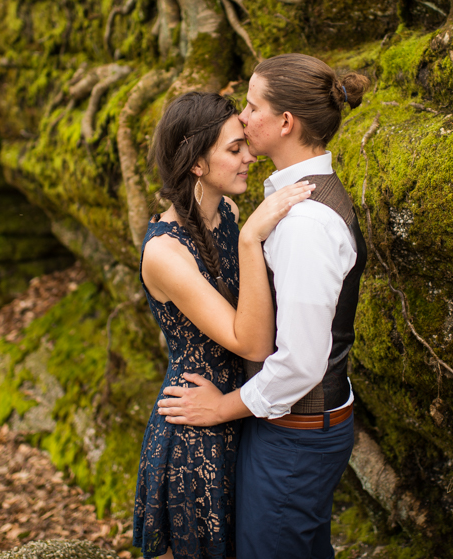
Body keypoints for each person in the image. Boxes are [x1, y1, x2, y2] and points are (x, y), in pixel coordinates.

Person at [156, 54, 371, 559]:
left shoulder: (305, 226)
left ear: (285, 123)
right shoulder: (294, 202)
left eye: (252, 106)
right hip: (292, 427)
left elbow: (300, 362)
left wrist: (221, 408)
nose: (243, 117)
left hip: (295, 437)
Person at [133, 91, 315, 559]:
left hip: (239, 408)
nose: (249, 156)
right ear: (196, 163)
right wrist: (254, 238)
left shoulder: (228, 216)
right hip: (198, 426)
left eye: (244, 146)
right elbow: (250, 341)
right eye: (234, 149)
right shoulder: (165, 253)